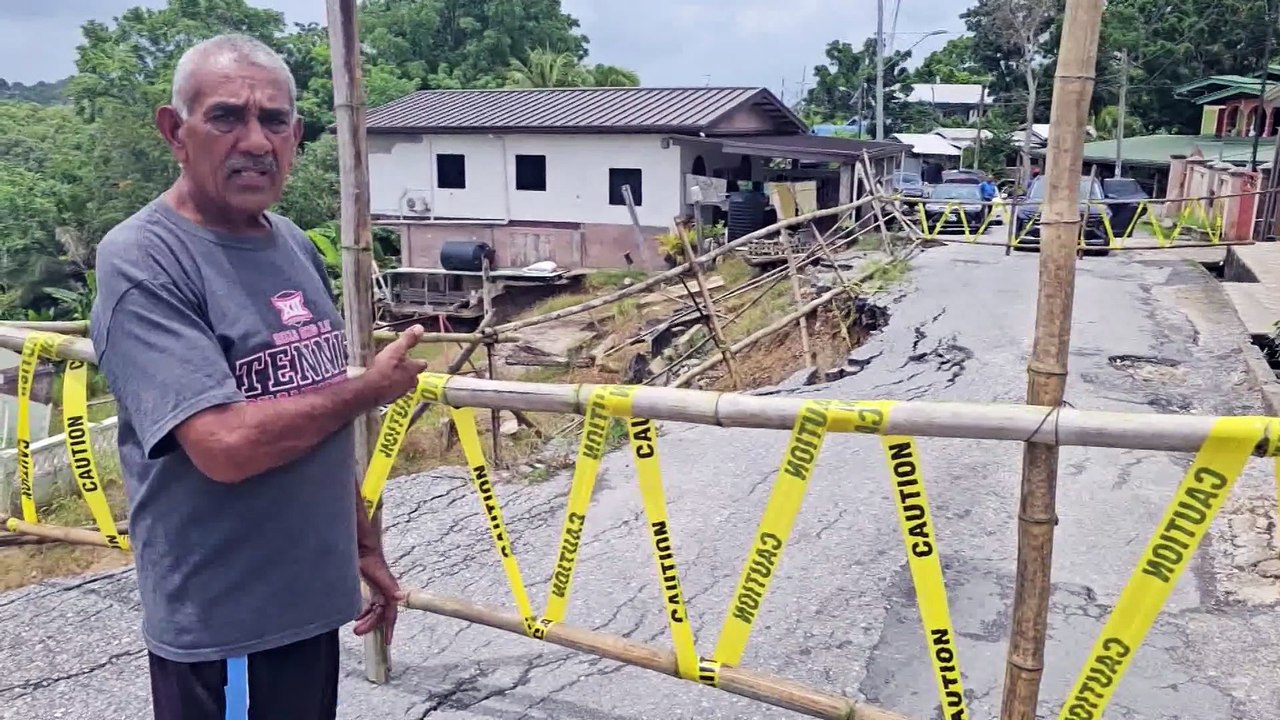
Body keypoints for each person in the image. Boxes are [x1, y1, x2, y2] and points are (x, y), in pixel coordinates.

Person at [88, 34, 428, 719]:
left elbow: (314, 410)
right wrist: (366, 391)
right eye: (226, 117)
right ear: (174, 132)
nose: (255, 141)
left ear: (296, 138)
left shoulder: (293, 245)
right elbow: (225, 447)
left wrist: (361, 545)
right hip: (229, 629)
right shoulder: (145, 259)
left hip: (307, 611)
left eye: (274, 121)